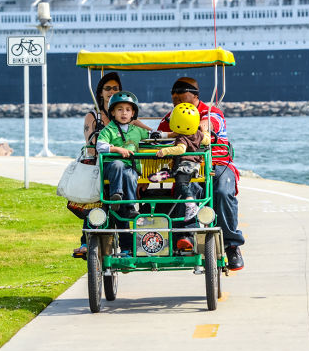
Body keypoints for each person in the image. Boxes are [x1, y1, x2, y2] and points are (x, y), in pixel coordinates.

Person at [157, 77, 244, 270]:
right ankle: (186, 235)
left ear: (195, 96)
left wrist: (200, 127)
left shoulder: (212, 113)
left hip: (217, 162)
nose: (179, 104)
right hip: (187, 164)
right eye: (175, 101)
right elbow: (158, 140)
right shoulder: (170, 118)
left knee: (221, 191)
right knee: (186, 187)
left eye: (183, 100)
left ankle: (232, 245)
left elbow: (209, 123)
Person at [72, 73, 148, 258]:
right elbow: (91, 144)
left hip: (124, 168)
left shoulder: (132, 121)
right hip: (100, 165)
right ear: (100, 92)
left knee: (121, 205)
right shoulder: (94, 117)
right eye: (108, 88)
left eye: (115, 88)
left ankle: (127, 247)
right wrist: (113, 150)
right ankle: (87, 241)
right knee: (96, 202)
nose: (111, 91)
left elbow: (149, 135)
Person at [151, 102, 210, 253]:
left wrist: (164, 151)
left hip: (186, 165)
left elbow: (180, 149)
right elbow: (208, 140)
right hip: (194, 166)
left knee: (182, 183)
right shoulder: (197, 134)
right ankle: (166, 174)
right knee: (176, 174)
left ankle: (190, 203)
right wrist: (205, 131)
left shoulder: (182, 139)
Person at [95, 92, 152, 222]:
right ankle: (116, 195)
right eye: (120, 110)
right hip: (111, 167)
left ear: (133, 113)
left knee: (130, 176)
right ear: (113, 113)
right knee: (118, 164)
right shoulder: (109, 130)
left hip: (129, 167)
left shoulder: (137, 130)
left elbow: (153, 136)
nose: (124, 113)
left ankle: (131, 206)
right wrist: (117, 149)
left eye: (128, 110)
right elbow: (100, 145)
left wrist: (173, 134)